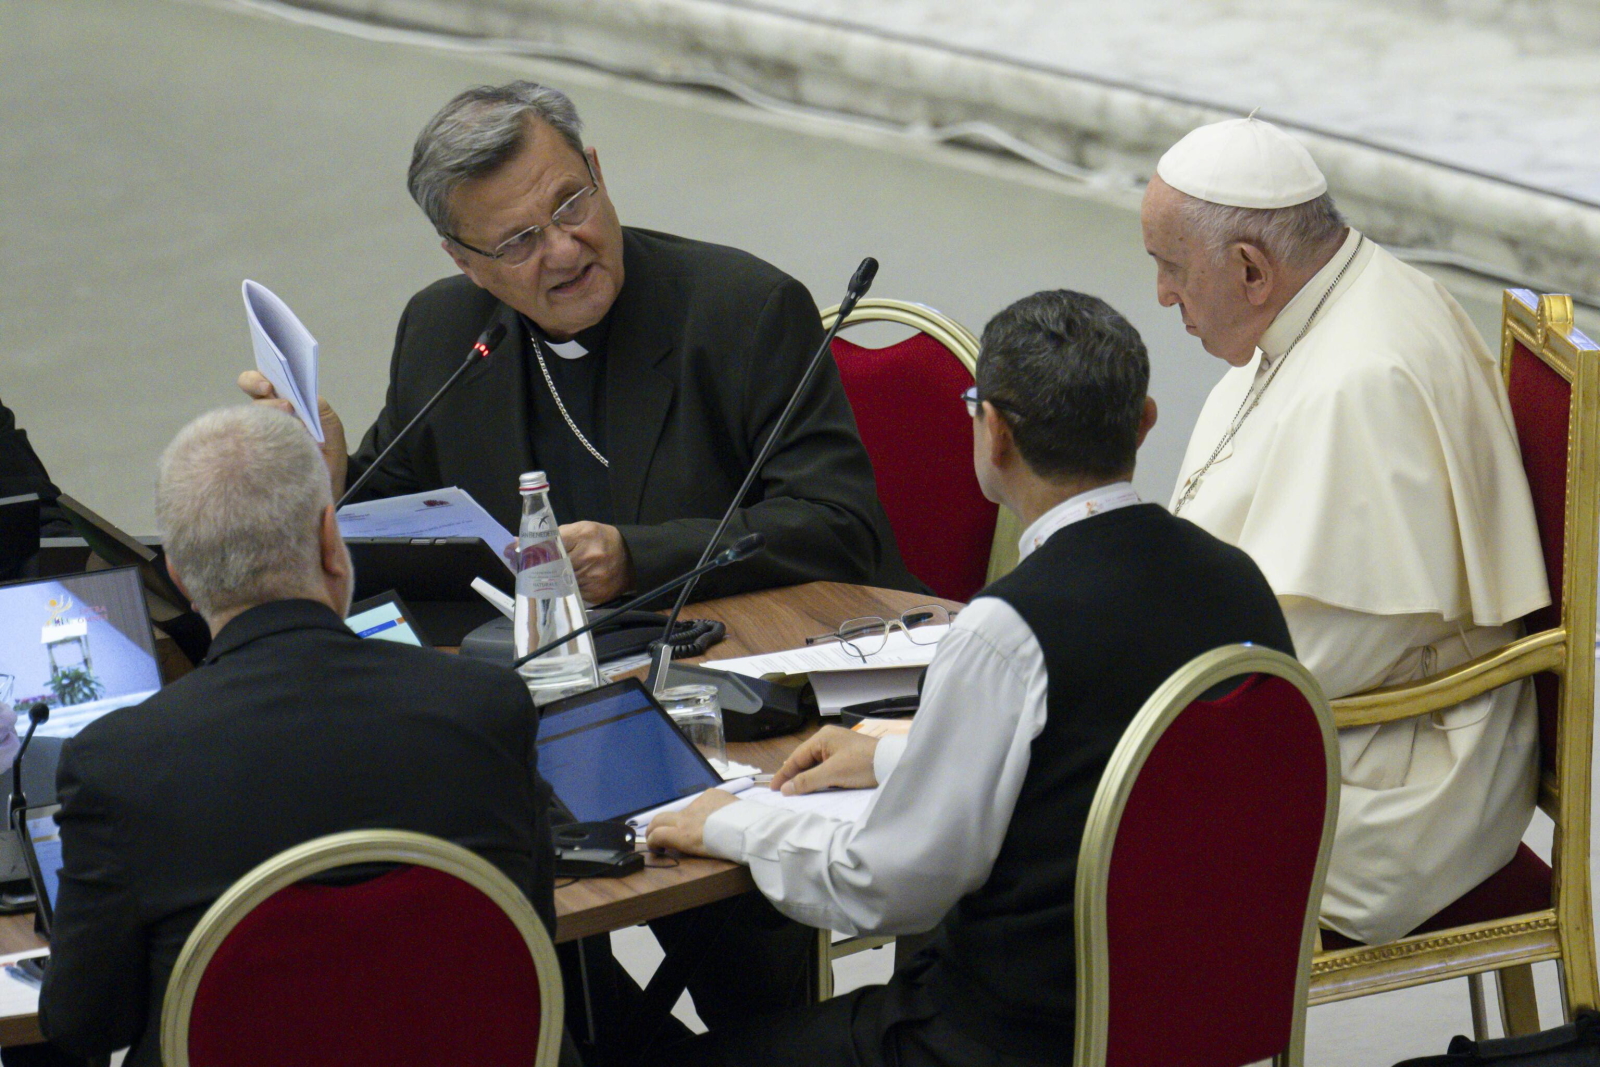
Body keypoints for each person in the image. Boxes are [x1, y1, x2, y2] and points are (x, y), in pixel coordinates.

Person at [646, 290, 1294, 1066]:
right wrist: (892, 756)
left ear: (993, 431)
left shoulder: (1007, 630)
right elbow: (1101, 765)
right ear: (1145, 419)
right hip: (1194, 1016)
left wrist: (726, 820)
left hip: (1010, 1039)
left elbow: (888, 884)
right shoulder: (1237, 579)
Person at [240, 80, 916, 605]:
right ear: (464, 262)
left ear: (597, 170)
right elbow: (407, 518)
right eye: (518, 241)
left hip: (754, 660)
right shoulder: (441, 331)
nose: (565, 250)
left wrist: (634, 558)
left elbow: (837, 525)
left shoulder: (743, 310)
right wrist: (327, 482)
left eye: (571, 204)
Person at [35, 406, 556, 1067]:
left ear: (179, 577)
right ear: (330, 542)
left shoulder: (118, 763)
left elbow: (84, 1022)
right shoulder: (484, 705)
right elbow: (527, 937)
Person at [1143, 116, 1549, 945]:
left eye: (1172, 268)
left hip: (1394, 788)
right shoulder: (1335, 300)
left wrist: (1120, 671)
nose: (1163, 296)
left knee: (1073, 836)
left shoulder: (1366, 382)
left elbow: (1305, 656)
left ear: (1253, 268)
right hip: (1352, 720)